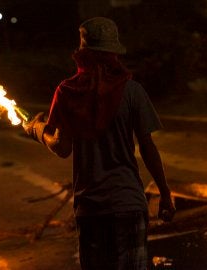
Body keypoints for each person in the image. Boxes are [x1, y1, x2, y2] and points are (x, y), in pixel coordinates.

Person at [23, 17, 176, 270]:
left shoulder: (66, 92)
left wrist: (37, 130)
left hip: (91, 209)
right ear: (114, 53)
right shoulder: (132, 91)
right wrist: (165, 194)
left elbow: (62, 148)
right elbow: (148, 148)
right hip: (129, 205)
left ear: (82, 53)